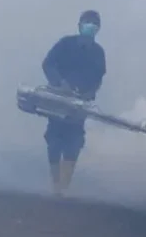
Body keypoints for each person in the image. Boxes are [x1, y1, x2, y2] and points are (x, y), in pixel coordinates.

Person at [40, 10, 106, 196]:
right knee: (54, 140)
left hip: (80, 104)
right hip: (58, 99)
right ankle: (55, 183)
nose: (90, 26)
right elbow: (48, 64)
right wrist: (60, 83)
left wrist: (88, 93)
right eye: (87, 22)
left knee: (74, 141)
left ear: (98, 29)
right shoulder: (65, 44)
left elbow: (99, 78)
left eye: (94, 23)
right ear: (79, 25)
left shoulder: (98, 53)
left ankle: (64, 186)